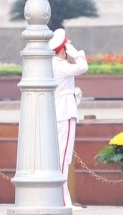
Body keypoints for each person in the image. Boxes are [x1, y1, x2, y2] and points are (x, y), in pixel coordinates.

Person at [49, 28, 87, 210]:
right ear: (63, 50)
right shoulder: (60, 65)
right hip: (65, 114)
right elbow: (83, 67)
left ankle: (61, 200)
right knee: (63, 160)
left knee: (60, 159)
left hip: (58, 113)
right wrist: (75, 52)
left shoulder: (52, 64)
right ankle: (64, 202)